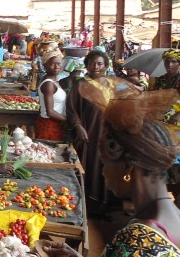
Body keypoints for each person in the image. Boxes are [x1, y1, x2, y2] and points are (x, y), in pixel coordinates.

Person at [42, 80, 180, 257]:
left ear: (128, 169)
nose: (102, 172)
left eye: (104, 163)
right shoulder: (172, 216)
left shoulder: (138, 240)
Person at [66, 50, 111, 215]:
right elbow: (71, 109)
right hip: (88, 133)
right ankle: (85, 208)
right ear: (86, 65)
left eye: (100, 63)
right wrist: (78, 126)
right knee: (88, 166)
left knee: (104, 168)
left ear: (105, 65)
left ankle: (103, 208)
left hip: (106, 135)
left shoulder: (110, 84)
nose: (96, 67)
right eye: (92, 63)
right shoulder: (80, 85)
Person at [36, 50, 67, 141]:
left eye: (58, 63)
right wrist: (68, 120)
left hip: (55, 123)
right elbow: (50, 112)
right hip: (49, 125)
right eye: (52, 64)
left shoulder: (54, 81)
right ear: (45, 66)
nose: (56, 67)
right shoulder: (48, 84)